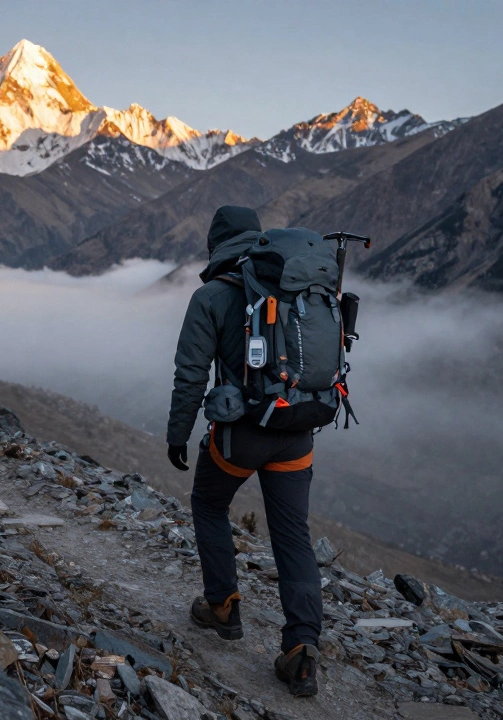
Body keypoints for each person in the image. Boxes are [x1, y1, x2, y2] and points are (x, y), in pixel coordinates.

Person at [166, 205, 323, 697]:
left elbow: (191, 376)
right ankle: (300, 649)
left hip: (242, 435)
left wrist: (178, 434)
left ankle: (222, 606)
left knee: (209, 503)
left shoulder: (211, 295)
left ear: (215, 246)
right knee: (292, 534)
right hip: (298, 428)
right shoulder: (296, 285)